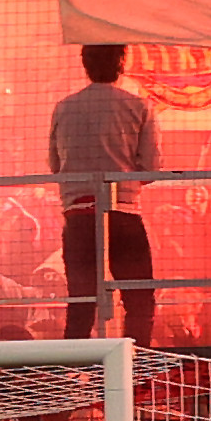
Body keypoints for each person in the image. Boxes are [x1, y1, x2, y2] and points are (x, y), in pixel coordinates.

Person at [50, 47, 161, 344]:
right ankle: (136, 364)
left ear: (85, 64)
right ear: (121, 63)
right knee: (139, 300)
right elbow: (151, 169)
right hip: (123, 213)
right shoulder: (139, 106)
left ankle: (74, 368)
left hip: (78, 217)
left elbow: (55, 165)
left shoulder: (64, 108)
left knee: (81, 303)